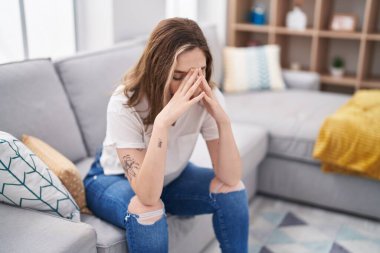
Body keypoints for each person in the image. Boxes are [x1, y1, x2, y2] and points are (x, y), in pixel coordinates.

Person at [83, 17, 249, 253]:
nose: (191, 84)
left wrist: (223, 121)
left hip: (171, 178)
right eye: (180, 76)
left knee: (232, 191)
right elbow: (148, 195)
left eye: (200, 71)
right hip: (112, 177)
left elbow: (230, 178)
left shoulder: (208, 94)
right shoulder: (125, 102)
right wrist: (162, 123)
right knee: (148, 211)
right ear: (158, 69)